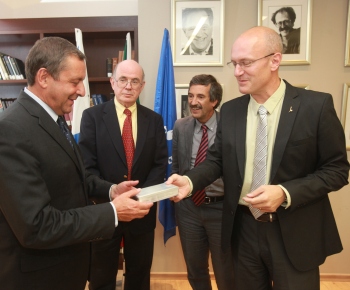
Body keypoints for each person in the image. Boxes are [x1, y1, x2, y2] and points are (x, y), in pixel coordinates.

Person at [167, 26, 349, 290]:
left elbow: (336, 170)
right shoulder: (231, 111)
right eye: (235, 63)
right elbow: (217, 160)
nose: (237, 71)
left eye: (246, 63)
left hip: (295, 231)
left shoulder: (315, 107)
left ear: (275, 60)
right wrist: (189, 181)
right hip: (243, 231)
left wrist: (285, 193)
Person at [0, 37, 153, 290]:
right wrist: (113, 211)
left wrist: (111, 190)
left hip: (65, 268)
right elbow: (37, 225)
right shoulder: (11, 130)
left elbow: (73, 177)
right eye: (75, 82)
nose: (82, 91)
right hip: (38, 277)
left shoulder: (55, 118)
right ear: (44, 77)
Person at [79, 59, 167, 290]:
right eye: (123, 80)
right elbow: (87, 167)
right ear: (113, 82)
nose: (129, 86)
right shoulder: (92, 117)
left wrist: (140, 198)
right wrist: (114, 195)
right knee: (101, 273)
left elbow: (159, 165)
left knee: (139, 274)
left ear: (142, 85)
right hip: (105, 209)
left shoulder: (155, 120)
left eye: (135, 81)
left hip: (142, 210)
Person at [172, 74, 234, 290]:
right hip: (189, 208)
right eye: (190, 96)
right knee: (195, 269)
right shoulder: (181, 126)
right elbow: (177, 167)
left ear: (214, 100)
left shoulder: (231, 127)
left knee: (226, 272)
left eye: (200, 96)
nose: (193, 102)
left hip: (221, 209)